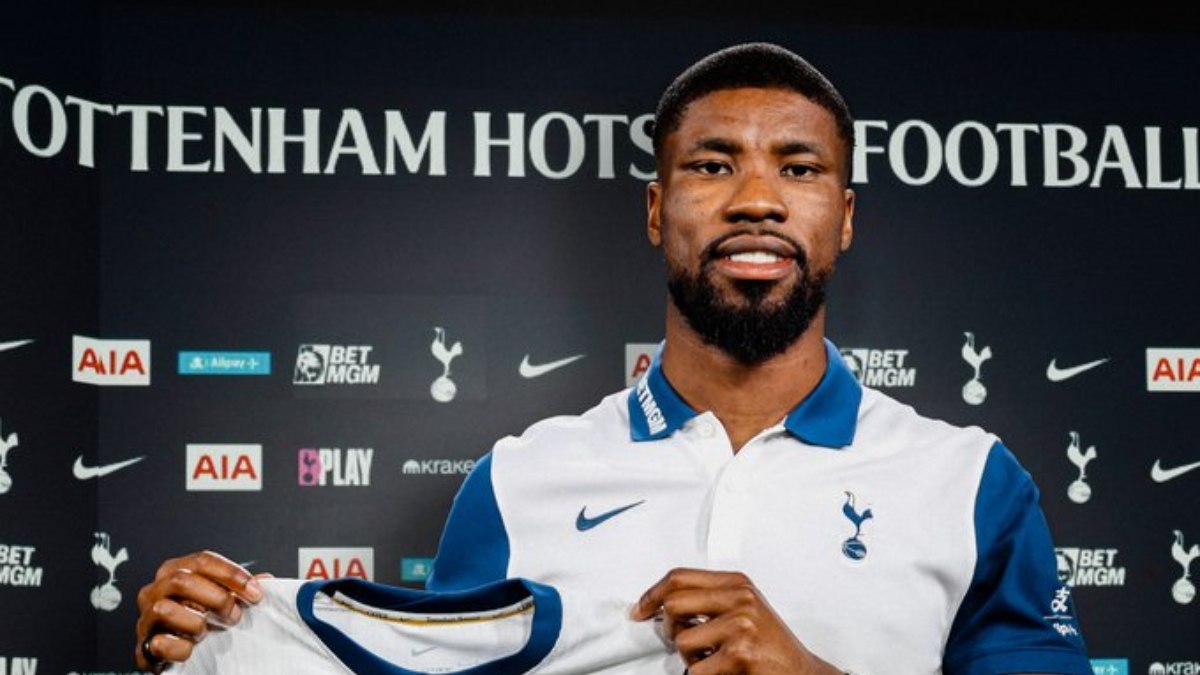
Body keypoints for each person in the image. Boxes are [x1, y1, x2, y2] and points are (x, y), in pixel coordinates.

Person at [134, 42, 1091, 675]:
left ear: (843, 218)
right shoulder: (518, 480)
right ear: (655, 209)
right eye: (712, 164)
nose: (756, 199)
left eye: (798, 168)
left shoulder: (972, 481)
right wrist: (216, 640)